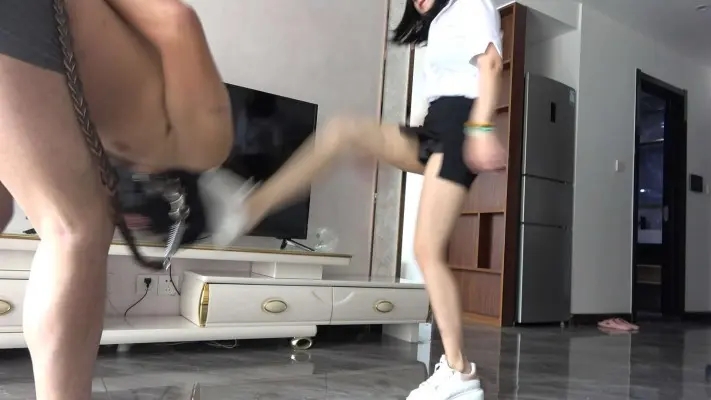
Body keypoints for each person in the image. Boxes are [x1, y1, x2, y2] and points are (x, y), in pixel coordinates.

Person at [217, 0, 506, 398]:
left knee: (426, 249)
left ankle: (460, 372)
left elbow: (491, 64)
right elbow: (444, 89)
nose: (418, 1)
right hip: (435, 130)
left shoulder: (472, 3)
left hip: (461, 131)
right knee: (343, 131)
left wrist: (482, 129)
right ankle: (250, 208)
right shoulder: (440, 22)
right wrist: (383, 148)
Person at [0, 0, 233, 399]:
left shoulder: (124, 137)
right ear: (179, 201)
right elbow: (177, 21)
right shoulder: (209, 146)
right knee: (77, 228)